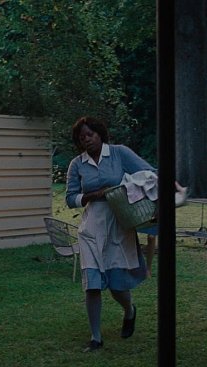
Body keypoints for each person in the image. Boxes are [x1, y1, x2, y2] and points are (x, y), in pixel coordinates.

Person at [65, 116, 154, 352]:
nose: (87, 140)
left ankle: (129, 310)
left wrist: (128, 189)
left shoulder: (118, 153)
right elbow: (70, 198)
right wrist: (92, 195)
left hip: (118, 224)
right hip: (91, 228)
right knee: (92, 285)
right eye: (82, 138)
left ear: (100, 134)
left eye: (90, 134)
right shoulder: (77, 164)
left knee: (117, 285)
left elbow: (149, 174)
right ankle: (96, 337)